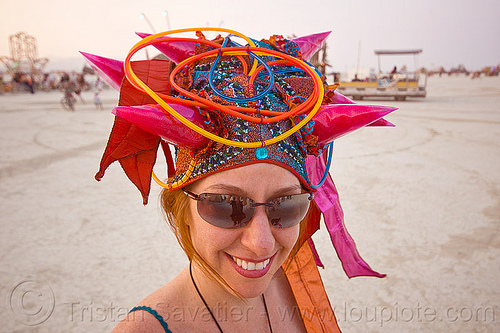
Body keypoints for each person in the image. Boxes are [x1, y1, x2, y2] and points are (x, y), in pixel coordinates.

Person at [88, 28, 396, 332]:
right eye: (227, 207)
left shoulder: (293, 278)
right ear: (181, 206)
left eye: (286, 206)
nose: (261, 244)